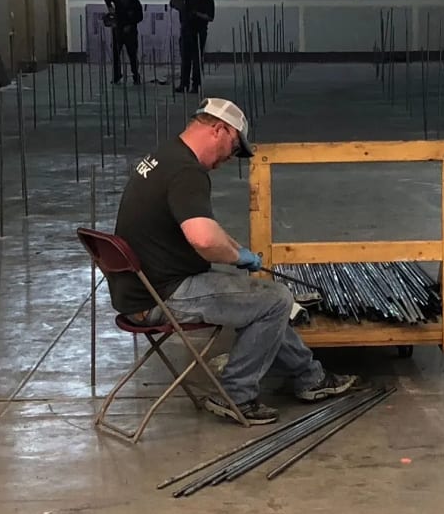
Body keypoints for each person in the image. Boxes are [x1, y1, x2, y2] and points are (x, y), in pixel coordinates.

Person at [106, 96, 358, 424]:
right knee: (277, 299)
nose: (229, 159)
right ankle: (237, 395)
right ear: (220, 130)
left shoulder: (165, 156)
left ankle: (310, 377)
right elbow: (202, 238)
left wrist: (235, 248)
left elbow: (203, 227)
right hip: (162, 295)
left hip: (140, 291)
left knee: (264, 300)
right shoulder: (187, 172)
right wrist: (235, 256)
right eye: (234, 148)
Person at [103, 0, 144, 85]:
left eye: (125, 1)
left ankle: (135, 76)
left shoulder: (135, 3)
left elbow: (140, 17)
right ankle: (117, 75)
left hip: (131, 32)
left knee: (132, 54)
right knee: (116, 54)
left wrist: (131, 25)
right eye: (122, 1)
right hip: (118, 30)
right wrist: (110, 7)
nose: (123, 2)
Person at [192, 0, 215, 68]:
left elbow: (210, 17)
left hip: (201, 30)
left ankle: (197, 77)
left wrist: (197, 14)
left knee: (198, 54)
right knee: (188, 54)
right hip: (189, 30)